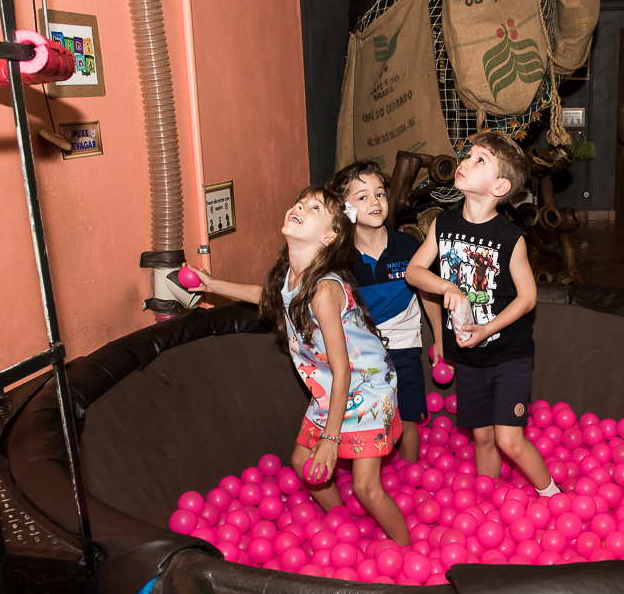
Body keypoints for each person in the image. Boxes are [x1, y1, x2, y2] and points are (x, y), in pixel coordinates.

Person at [186, 186, 409, 545]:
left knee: (366, 488)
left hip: (367, 387)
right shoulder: (292, 276)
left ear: (329, 236)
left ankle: (407, 552)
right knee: (304, 464)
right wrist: (212, 284)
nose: (300, 207)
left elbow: (344, 369)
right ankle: (347, 531)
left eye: (315, 208)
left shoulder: (323, 291)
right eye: (300, 203)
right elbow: (267, 297)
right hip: (331, 387)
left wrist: (331, 439)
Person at [405, 131, 559, 496]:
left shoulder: (510, 237)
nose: (465, 163)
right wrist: (446, 286)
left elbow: (527, 298)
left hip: (508, 355)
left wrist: (487, 329)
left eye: (480, 161)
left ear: (500, 186)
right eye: (468, 155)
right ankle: (489, 505)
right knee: (483, 437)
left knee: (508, 439)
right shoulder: (443, 224)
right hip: (469, 358)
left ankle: (553, 497)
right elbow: (414, 271)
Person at [328, 160, 441, 464]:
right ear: (345, 208)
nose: (375, 201)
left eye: (380, 194)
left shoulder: (407, 246)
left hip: (404, 349)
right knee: (367, 419)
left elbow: (428, 294)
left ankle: (411, 476)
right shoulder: (339, 258)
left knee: (408, 417)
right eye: (362, 197)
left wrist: (440, 340)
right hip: (361, 355)